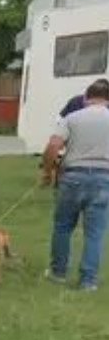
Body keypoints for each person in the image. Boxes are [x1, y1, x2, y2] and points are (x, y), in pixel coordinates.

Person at [41, 79, 109, 291]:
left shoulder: (72, 117)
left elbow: (53, 146)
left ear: (86, 97)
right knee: (94, 233)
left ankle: (58, 272)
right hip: (103, 178)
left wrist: (48, 170)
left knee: (62, 227)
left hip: (72, 176)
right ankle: (87, 281)